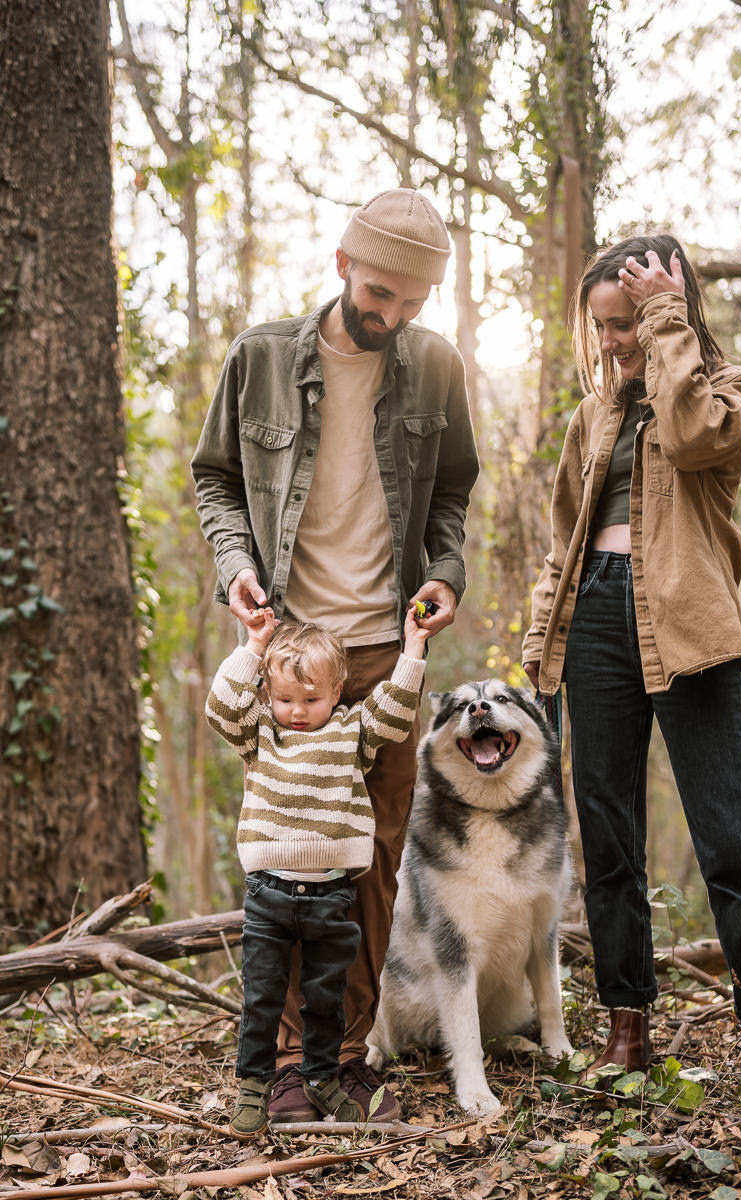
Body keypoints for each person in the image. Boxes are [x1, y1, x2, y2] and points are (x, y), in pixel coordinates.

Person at [191, 188, 479, 1122]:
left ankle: (343, 1062)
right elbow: (216, 478)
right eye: (379, 292)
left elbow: (452, 497)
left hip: (386, 656)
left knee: (371, 859)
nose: (391, 316)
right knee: (285, 857)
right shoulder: (261, 358)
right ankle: (280, 1067)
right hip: (290, 658)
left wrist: (443, 574)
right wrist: (237, 568)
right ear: (342, 264)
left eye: (411, 303)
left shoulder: (435, 369)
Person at [521, 233, 741, 1123]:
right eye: (604, 326)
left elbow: (686, 441)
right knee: (607, 835)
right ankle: (627, 1025)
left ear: (671, 309)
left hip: (691, 631)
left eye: (630, 323)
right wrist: (541, 633)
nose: (614, 342)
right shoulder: (592, 413)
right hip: (595, 619)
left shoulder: (732, 391)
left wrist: (666, 322)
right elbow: (565, 534)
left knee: (730, 841)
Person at [206, 606, 430, 1137]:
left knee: (326, 994)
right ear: (267, 696)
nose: (298, 712)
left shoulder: (354, 731)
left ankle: (324, 1076)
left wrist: (413, 649)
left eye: (311, 700)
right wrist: (255, 646)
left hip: (332, 895)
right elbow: (220, 707)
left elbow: (395, 711)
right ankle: (255, 1086)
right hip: (268, 895)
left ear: (338, 694)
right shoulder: (259, 732)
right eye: (285, 700)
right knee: (263, 995)